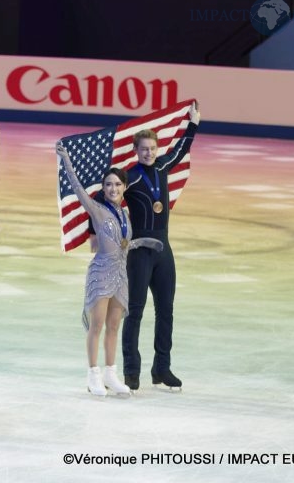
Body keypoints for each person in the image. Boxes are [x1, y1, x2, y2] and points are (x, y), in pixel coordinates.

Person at [56, 143, 162, 397]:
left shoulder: (125, 214)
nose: (112, 189)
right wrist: (66, 160)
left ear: (124, 188)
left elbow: (123, 244)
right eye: (108, 185)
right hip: (101, 273)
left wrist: (143, 242)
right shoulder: (97, 209)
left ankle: (111, 374)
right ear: (103, 189)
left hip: (121, 275)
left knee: (114, 326)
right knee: (97, 325)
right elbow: (77, 188)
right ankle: (93, 375)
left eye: (117, 184)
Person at [121, 102, 200, 392]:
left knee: (165, 310)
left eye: (152, 149)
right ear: (136, 151)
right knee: (135, 311)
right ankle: (131, 371)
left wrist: (193, 123)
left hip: (163, 249)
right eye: (143, 149)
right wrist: (96, 231)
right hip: (140, 250)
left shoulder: (164, 166)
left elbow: (181, 149)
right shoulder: (129, 176)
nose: (149, 153)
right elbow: (105, 197)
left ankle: (161, 367)